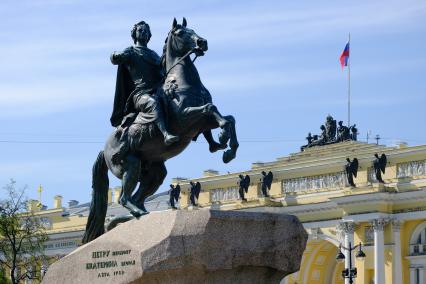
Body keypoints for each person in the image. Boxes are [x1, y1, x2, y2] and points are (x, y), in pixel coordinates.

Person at [110, 21, 179, 163]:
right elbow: (114, 58)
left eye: (146, 31)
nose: (143, 32)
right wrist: (116, 55)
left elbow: (163, 73)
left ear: (149, 35)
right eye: (140, 30)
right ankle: (166, 134)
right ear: (134, 34)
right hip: (140, 94)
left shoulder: (154, 55)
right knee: (153, 103)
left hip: (157, 90)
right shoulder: (131, 52)